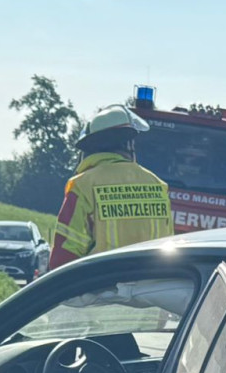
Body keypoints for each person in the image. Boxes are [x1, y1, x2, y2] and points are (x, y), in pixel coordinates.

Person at [48, 104, 173, 271]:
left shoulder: (83, 185)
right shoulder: (158, 185)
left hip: (100, 290)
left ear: (91, 148)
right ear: (128, 145)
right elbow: (169, 248)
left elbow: (64, 258)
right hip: (151, 291)